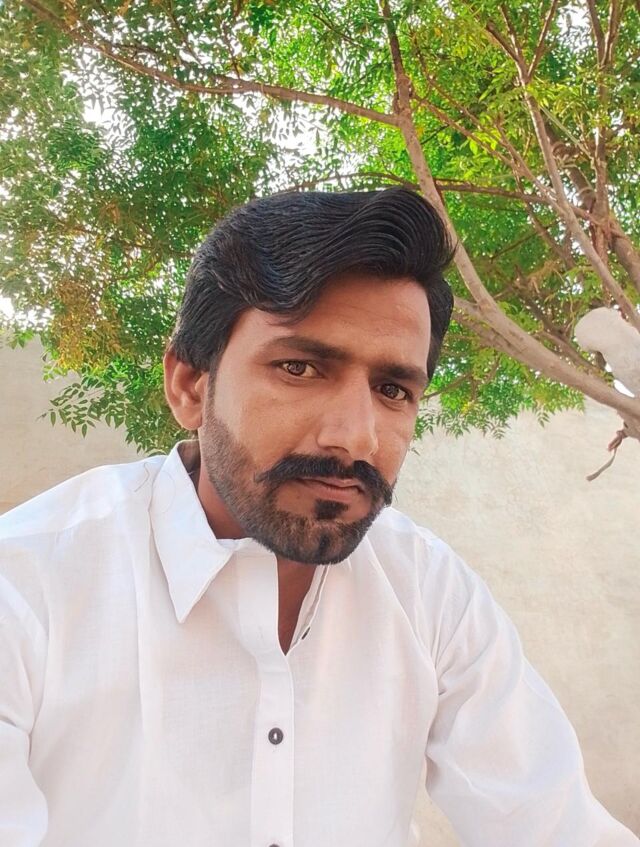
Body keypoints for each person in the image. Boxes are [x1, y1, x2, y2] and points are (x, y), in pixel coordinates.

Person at [0, 189, 636, 847]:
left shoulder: (427, 592)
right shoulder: (27, 586)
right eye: (300, 367)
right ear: (190, 385)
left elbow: (553, 824)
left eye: (392, 389)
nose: (356, 437)